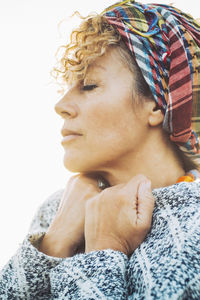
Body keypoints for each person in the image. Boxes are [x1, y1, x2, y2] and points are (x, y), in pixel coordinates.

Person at [0, 0, 200, 299]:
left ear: (159, 103)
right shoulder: (59, 209)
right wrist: (53, 244)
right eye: (67, 87)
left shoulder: (194, 227)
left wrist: (104, 248)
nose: (60, 106)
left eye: (89, 85)